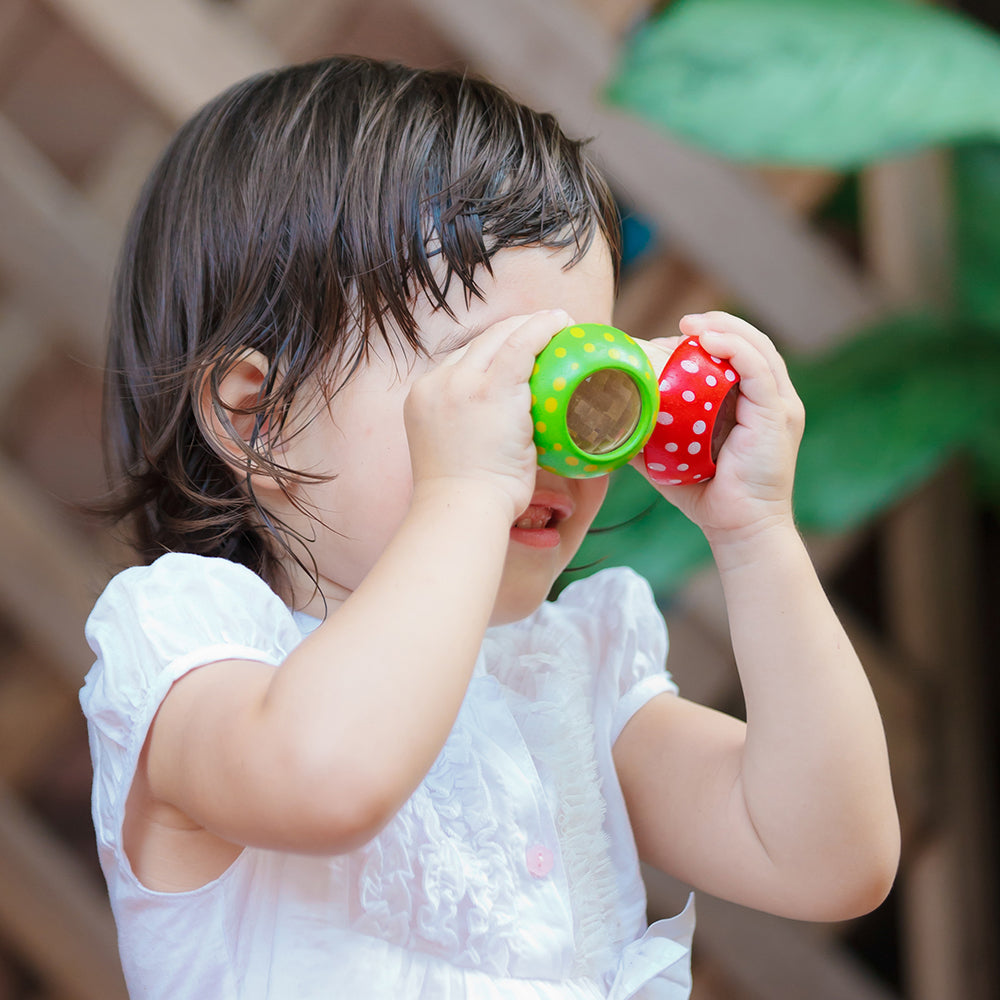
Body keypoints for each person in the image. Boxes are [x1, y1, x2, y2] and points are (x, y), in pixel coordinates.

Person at [81, 56, 899, 1000]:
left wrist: (755, 532)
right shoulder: (196, 658)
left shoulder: (569, 680)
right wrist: (465, 487)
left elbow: (828, 858)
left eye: (579, 373)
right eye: (494, 376)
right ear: (256, 416)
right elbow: (329, 778)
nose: (551, 435)